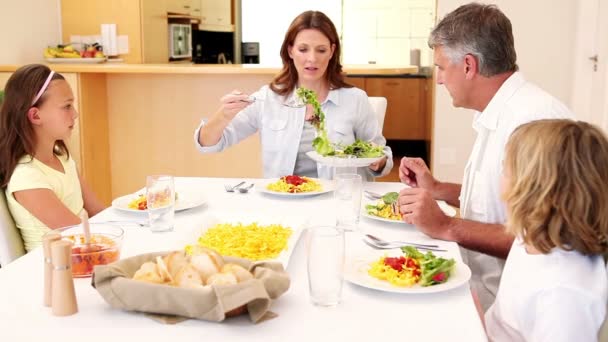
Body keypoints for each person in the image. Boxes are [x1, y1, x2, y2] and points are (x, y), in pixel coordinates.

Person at [396, 3, 572, 310]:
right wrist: (437, 189)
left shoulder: (533, 123)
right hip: (478, 288)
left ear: (468, 65)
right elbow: (501, 204)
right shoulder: (501, 112)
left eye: (440, 67)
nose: (438, 79)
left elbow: (544, 240)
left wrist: (446, 226)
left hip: (509, 310)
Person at [193, 10, 393, 180]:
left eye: (321, 50)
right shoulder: (268, 98)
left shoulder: (355, 99)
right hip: (283, 204)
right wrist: (224, 115)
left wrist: (377, 160)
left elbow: (383, 158)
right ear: (290, 50)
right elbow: (208, 145)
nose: (312, 59)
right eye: (303, 49)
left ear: (332, 51)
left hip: (338, 203)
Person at [484, 119, 608, 341]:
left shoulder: (562, 295)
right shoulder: (530, 235)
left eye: (505, 171)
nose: (499, 181)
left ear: (532, 191)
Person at [0, 64, 105, 252]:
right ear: (35, 115)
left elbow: (99, 212)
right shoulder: (27, 177)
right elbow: (78, 235)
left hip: (83, 254)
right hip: (55, 269)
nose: (75, 114)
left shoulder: (63, 158)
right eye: (66, 106)